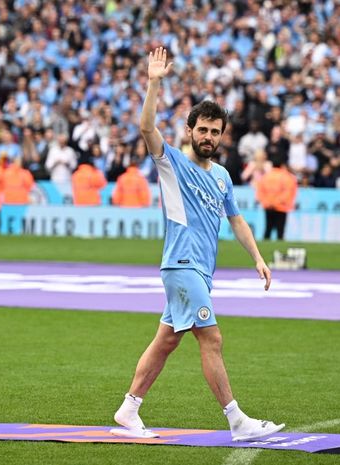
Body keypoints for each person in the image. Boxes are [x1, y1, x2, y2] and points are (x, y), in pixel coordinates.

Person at [112, 48, 284, 442]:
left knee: (167, 340)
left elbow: (236, 220)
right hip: (181, 264)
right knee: (212, 338)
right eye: (202, 129)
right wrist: (154, 83)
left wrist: (257, 257)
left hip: (199, 270)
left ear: (222, 135)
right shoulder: (171, 163)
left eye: (215, 131)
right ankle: (237, 420)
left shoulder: (223, 176)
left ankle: (129, 407)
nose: (208, 137)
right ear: (190, 131)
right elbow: (146, 128)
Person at [255, 157, 298, 240]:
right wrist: (276, 202)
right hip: (281, 207)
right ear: (282, 165)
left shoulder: (266, 176)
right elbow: (288, 192)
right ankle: (278, 250)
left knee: (268, 229)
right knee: (280, 231)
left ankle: (263, 250)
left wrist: (267, 202)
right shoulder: (287, 177)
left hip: (268, 206)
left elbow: (260, 191)